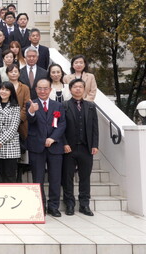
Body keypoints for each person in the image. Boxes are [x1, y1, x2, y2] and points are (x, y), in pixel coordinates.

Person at [26, 78, 66, 217]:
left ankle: (53, 206)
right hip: (36, 147)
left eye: (45, 88)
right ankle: (40, 206)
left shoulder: (58, 106)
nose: (42, 91)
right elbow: (30, 121)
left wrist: (53, 138)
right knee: (38, 178)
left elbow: (62, 124)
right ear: (36, 89)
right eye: (40, 88)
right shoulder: (31, 104)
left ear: (50, 89)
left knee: (55, 178)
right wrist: (31, 111)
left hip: (55, 147)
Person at [61, 79, 99, 216]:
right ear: (70, 89)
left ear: (84, 89)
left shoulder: (90, 106)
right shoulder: (64, 105)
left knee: (85, 177)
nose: (78, 89)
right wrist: (64, 143)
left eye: (80, 87)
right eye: (75, 87)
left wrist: (95, 144)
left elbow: (95, 128)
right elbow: (60, 127)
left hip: (86, 148)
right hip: (69, 148)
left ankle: (84, 204)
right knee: (67, 177)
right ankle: (69, 204)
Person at [0, 82, 21, 182]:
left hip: (10, 146)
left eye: (7, 90)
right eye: (2, 89)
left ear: (11, 92)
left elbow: (13, 128)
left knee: (10, 176)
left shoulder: (15, 107)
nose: (4, 92)